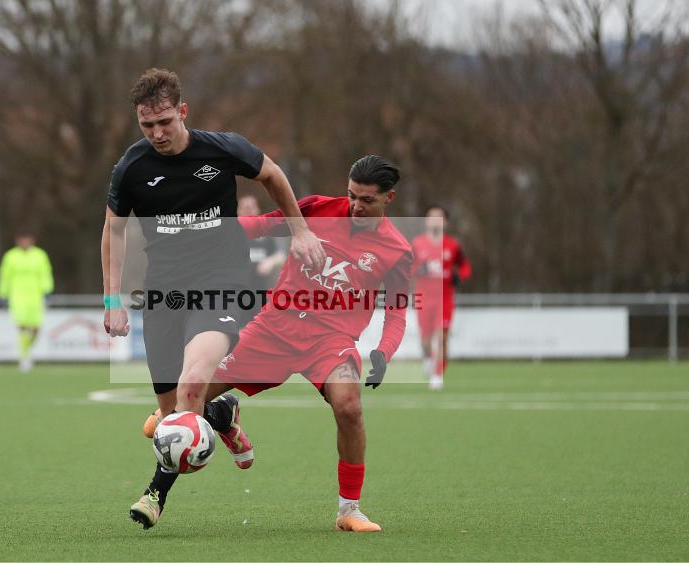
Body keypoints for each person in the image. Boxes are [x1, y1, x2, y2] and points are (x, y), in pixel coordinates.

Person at [101, 68, 325, 529]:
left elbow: (274, 175)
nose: (158, 133)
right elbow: (113, 230)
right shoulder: (132, 167)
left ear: (183, 111)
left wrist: (299, 230)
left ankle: (154, 495)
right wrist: (112, 299)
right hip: (164, 293)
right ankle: (223, 415)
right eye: (148, 126)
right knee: (171, 415)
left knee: (191, 386)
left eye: (165, 121)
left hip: (222, 283)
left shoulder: (222, 149)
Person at [142, 155, 411, 531]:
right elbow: (263, 226)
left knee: (349, 407)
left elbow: (397, 311)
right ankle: (217, 424)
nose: (355, 205)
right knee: (188, 398)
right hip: (273, 328)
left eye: (367, 200)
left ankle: (349, 510)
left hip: (329, 340)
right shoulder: (318, 209)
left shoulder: (397, 250)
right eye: (352, 195)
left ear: (389, 199)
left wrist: (384, 351)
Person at [411, 206, 472, 390]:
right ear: (426, 221)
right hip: (423, 298)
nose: (435, 221)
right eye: (431, 217)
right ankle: (429, 359)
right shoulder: (417, 244)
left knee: (442, 338)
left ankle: (438, 374)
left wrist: (459, 276)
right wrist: (416, 271)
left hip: (444, 299)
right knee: (425, 340)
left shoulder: (453, 245)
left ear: (446, 222)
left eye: (440, 217)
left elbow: (465, 267)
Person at [0, 232, 54, 372]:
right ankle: (25, 357)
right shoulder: (10, 256)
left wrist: (47, 291)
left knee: (35, 329)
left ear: (32, 240)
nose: (24, 242)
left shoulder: (40, 255)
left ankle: (26, 350)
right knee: (21, 327)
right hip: (18, 297)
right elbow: (5, 276)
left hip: (35, 297)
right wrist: (2, 294)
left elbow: (46, 274)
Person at [237, 195, 285, 326]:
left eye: (251, 207)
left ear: (257, 209)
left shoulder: (265, 232)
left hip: (260, 288)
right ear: (238, 210)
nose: (248, 211)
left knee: (258, 323)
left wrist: (270, 261)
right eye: (245, 208)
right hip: (237, 289)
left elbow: (280, 255)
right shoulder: (233, 232)